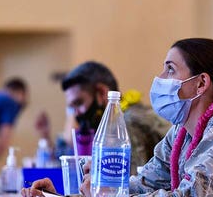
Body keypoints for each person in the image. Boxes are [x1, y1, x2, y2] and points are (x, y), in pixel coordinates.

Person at [23, 38, 213, 196]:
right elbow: (145, 183)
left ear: (201, 83)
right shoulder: (181, 132)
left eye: (170, 69)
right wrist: (66, 195)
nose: (160, 79)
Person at [35, 61, 170, 174]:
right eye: (71, 107)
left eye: (79, 103)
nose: (76, 113)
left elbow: (125, 188)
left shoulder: (126, 125)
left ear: (102, 93)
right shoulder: (122, 119)